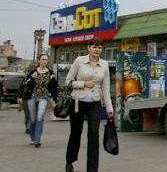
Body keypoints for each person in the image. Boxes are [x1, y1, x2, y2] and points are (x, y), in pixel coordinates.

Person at [65, 37, 113, 172]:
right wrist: (83, 84)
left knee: (93, 135)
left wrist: (109, 108)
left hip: (95, 103)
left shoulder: (105, 64)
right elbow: (68, 82)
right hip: (77, 102)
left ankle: (92, 169)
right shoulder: (79, 61)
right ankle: (70, 162)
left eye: (99, 47)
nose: (97, 49)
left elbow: (106, 88)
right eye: (94, 46)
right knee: (75, 133)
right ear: (89, 48)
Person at [23, 53, 58, 147]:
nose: (44, 61)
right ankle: (32, 137)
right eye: (43, 59)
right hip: (32, 97)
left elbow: (54, 87)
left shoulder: (51, 73)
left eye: (46, 60)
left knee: (39, 118)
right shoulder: (33, 71)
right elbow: (25, 83)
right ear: (39, 61)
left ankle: (37, 140)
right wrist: (31, 78)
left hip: (44, 98)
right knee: (33, 119)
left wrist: (54, 99)